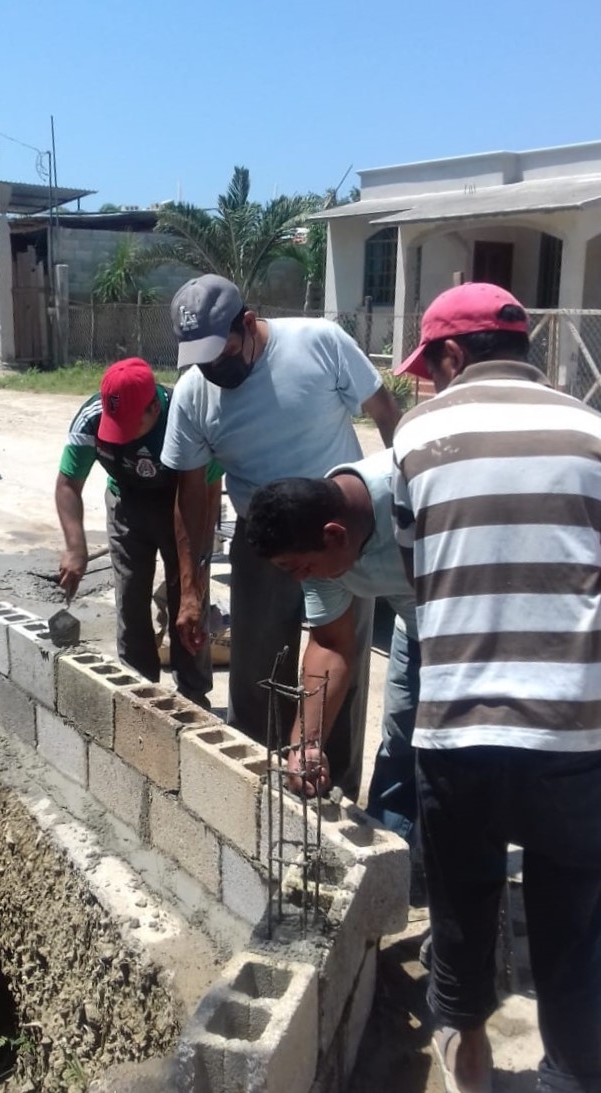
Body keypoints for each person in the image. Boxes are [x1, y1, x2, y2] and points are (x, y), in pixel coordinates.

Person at [392, 282, 601, 1093]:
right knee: (574, 929)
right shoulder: (591, 429)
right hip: (573, 735)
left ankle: (469, 1067)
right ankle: (572, 1076)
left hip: (457, 729)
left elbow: (418, 575)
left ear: (452, 354)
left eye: (431, 365)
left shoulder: (417, 433)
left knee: (461, 911)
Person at [161, 274, 401, 799]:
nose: (212, 371)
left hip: (339, 540)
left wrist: (399, 505)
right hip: (262, 545)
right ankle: (257, 792)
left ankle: (329, 795)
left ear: (247, 324)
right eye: (199, 361)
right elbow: (192, 496)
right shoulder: (194, 394)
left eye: (220, 356)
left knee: (341, 668)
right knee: (257, 675)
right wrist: (190, 589)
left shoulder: (319, 343)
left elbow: (386, 413)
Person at [245, 449, 419, 846]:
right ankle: (395, 862)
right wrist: (307, 743)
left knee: (468, 760)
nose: (300, 578)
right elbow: (331, 643)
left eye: (299, 568)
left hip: (489, 626)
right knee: (403, 744)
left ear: (335, 535)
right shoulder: (317, 536)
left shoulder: (415, 492)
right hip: (417, 626)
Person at [56, 357, 214, 707]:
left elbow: (207, 494)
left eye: (130, 425)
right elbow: (68, 484)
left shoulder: (185, 417)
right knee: (130, 599)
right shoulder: (91, 419)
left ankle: (192, 693)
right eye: (117, 426)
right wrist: (76, 547)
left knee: (188, 603)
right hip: (126, 501)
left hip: (184, 505)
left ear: (154, 407)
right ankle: (138, 689)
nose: (121, 435)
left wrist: (194, 577)